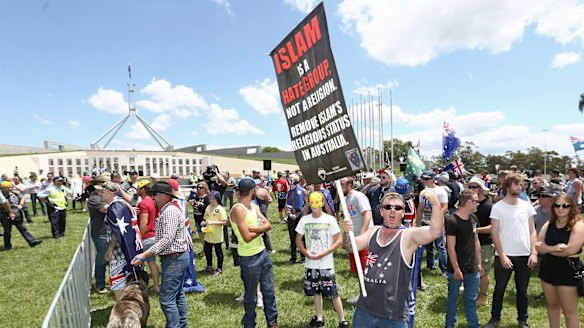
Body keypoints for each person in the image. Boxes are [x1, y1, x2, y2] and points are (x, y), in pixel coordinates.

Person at [342, 188, 444, 327]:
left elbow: (435, 232)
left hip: (392, 315)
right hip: (364, 309)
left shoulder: (408, 235)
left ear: (403, 212)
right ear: (381, 211)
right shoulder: (373, 231)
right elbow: (350, 246)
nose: (392, 211)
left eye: (397, 208)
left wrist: (436, 204)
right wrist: (347, 231)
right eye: (388, 207)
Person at [131, 181, 190, 328]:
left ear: (164, 195)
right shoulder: (167, 209)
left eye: (154, 194)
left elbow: (166, 239)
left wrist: (144, 255)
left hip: (174, 258)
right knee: (177, 295)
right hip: (176, 257)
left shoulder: (169, 212)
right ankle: (181, 325)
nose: (152, 198)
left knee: (167, 299)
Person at [485, 174, 538, 328]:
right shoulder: (497, 207)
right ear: (508, 186)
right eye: (516, 184)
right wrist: (502, 255)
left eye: (521, 184)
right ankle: (495, 318)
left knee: (522, 290)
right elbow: (494, 233)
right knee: (499, 289)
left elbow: (532, 231)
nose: (519, 187)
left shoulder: (526, 206)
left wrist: (533, 252)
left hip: (524, 254)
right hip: (504, 254)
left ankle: (523, 320)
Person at [230, 178, 278, 328]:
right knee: (251, 296)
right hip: (249, 258)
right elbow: (247, 237)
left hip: (263, 254)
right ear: (252, 191)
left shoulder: (253, 206)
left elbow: (268, 225)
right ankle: (249, 324)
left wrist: (257, 228)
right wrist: (260, 229)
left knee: (269, 292)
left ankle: (272, 323)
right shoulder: (238, 209)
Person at [295, 192, 348, 328]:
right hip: (311, 262)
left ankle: (342, 319)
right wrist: (305, 252)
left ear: (323, 203)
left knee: (333, 292)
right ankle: (319, 317)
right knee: (316, 291)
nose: (315, 208)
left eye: (317, 204)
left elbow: (339, 241)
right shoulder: (304, 220)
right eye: (312, 204)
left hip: (326, 263)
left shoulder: (330, 220)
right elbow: (298, 239)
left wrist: (324, 252)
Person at [536, 194, 584, 328]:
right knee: (552, 306)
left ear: (571, 207)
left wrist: (546, 248)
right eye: (557, 205)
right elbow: (538, 246)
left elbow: (569, 250)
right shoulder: (548, 223)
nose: (560, 209)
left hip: (568, 269)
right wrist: (554, 248)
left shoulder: (578, 225)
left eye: (565, 205)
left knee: (570, 312)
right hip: (548, 267)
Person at [97, 181, 144, 301]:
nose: (100, 194)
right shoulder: (123, 203)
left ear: (112, 192)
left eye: (102, 192)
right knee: (131, 282)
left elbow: (117, 232)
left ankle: (122, 309)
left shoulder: (115, 207)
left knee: (118, 283)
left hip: (120, 252)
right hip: (132, 248)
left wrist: (109, 251)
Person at [445, 190, 483, 328]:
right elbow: (450, 247)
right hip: (456, 268)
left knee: (471, 299)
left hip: (472, 267)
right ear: (468, 203)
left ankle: (473, 325)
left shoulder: (473, 219)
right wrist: (456, 269)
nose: (478, 204)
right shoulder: (452, 221)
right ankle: (450, 324)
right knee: (453, 298)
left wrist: (478, 263)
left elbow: (476, 241)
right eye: (476, 201)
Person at [339, 176, 373, 304]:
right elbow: (348, 220)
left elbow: (368, 214)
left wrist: (362, 235)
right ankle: (362, 293)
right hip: (353, 239)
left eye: (341, 183)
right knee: (358, 269)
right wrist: (345, 238)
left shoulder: (358, 197)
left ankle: (370, 296)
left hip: (363, 239)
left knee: (366, 269)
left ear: (350, 184)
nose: (339, 186)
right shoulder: (345, 199)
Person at [467, 177, 494, 306]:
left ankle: (483, 296)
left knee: (483, 271)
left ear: (482, 189)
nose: (472, 189)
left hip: (484, 244)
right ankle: (473, 291)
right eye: (470, 187)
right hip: (471, 243)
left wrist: (476, 230)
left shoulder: (489, 206)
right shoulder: (470, 204)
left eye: (475, 187)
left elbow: (493, 227)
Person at [416, 171, 448, 274]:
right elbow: (420, 208)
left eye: (427, 179)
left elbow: (444, 207)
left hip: (437, 223)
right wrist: (418, 222)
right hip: (425, 222)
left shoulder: (440, 191)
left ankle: (444, 269)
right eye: (423, 179)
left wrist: (435, 218)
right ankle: (431, 265)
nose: (425, 181)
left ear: (433, 179)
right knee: (428, 246)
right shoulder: (422, 193)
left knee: (440, 246)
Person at [86, 173, 110, 294]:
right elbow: (106, 208)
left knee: (111, 258)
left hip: (109, 232)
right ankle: (100, 284)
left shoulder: (107, 195)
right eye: (107, 183)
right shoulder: (94, 198)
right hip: (101, 233)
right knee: (102, 259)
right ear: (99, 184)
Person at [0, 181, 42, 250]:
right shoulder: (0, 195)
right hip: (5, 213)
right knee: (7, 231)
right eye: (8, 188)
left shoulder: (14, 192)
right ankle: (7, 247)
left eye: (11, 187)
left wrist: (21, 204)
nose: (10, 189)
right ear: (3, 188)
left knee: (23, 228)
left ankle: (32, 241)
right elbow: (5, 203)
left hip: (16, 211)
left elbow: (22, 197)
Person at [136, 179, 160, 293]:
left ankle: (139, 287)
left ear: (142, 190)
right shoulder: (153, 201)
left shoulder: (143, 203)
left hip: (146, 237)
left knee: (137, 262)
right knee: (152, 262)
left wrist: (139, 237)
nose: (136, 190)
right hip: (155, 236)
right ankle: (156, 286)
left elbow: (144, 222)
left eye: (138, 188)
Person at [202, 190, 228, 276]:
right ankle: (209, 265)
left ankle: (219, 268)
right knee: (207, 250)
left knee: (218, 252)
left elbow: (224, 222)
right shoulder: (208, 208)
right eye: (210, 199)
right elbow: (206, 218)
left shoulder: (220, 209)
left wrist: (212, 222)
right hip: (208, 234)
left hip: (217, 235)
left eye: (213, 199)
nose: (211, 201)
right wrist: (204, 223)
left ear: (217, 199)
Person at [286, 173, 307, 264]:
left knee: (302, 238)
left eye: (290, 179)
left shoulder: (303, 191)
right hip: (291, 217)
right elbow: (286, 203)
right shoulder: (289, 191)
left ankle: (304, 257)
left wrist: (298, 214)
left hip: (300, 217)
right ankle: (293, 257)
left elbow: (306, 204)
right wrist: (288, 213)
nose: (288, 181)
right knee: (292, 237)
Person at [189, 181, 210, 252]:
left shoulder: (207, 198)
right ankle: (205, 250)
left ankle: (208, 251)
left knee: (206, 236)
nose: (199, 189)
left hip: (203, 220)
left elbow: (209, 209)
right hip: (197, 218)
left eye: (201, 187)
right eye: (198, 187)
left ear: (205, 188)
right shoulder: (196, 197)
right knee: (201, 235)